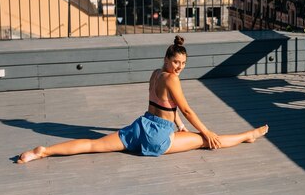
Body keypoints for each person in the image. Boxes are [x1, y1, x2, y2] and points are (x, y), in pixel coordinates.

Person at [17, 35, 268, 163]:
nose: (179, 67)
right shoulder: (173, 78)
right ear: (168, 59)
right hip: (159, 135)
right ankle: (248, 135)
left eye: (183, 64)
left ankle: (43, 152)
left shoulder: (156, 73)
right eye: (176, 62)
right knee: (208, 141)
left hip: (140, 126)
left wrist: (179, 124)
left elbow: (166, 105)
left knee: (93, 144)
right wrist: (206, 131)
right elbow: (187, 109)